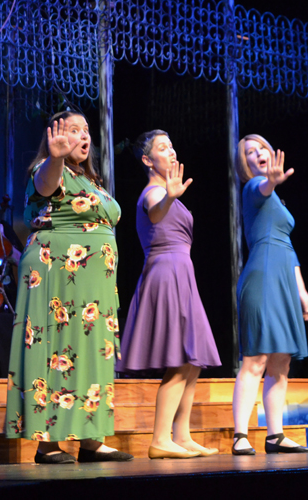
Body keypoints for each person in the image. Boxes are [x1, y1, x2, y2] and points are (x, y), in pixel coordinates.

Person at [5, 110, 132, 464]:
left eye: (86, 130)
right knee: (58, 348)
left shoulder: (91, 181)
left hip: (95, 288)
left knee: (91, 352)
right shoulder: (47, 170)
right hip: (56, 274)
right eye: (73, 130)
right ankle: (47, 443)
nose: (83, 136)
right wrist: (56, 157)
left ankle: (91, 438)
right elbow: (46, 186)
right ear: (55, 137)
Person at [116, 130, 221, 459]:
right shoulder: (153, 192)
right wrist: (169, 198)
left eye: (173, 146)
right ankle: (160, 439)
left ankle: (182, 435)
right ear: (148, 160)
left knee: (192, 361)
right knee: (179, 360)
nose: (172, 152)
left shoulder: (167, 191)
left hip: (181, 272)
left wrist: (172, 196)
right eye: (163, 148)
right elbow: (156, 211)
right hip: (165, 273)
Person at [231, 134, 308, 455]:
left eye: (262, 148)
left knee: (281, 362)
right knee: (256, 359)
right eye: (250, 153)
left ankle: (275, 435)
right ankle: (240, 435)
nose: (258, 154)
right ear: (247, 165)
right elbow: (262, 188)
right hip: (262, 278)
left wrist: (303, 293)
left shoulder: (277, 201)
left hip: (283, 279)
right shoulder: (253, 188)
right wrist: (270, 182)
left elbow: (289, 248)